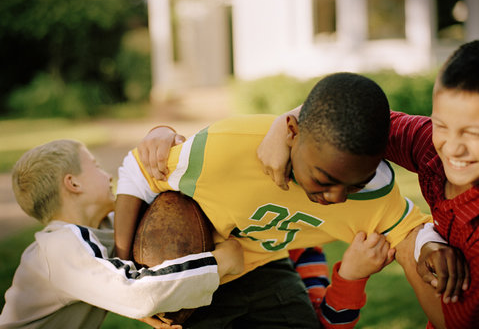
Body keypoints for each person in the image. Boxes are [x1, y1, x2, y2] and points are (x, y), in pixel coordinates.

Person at [115, 72, 436, 328]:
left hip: (267, 267)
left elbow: (412, 232)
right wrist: (127, 275)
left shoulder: (373, 198)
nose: (337, 197)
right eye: (324, 180)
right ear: (292, 133)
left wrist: (432, 244)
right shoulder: (225, 150)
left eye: (355, 185)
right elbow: (137, 171)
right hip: (201, 267)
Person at [257, 41, 479, 329]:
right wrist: (280, 127)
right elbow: (350, 122)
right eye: (442, 126)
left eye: (472, 133)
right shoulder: (430, 149)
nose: (453, 148)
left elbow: (455, 323)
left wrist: (414, 239)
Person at [0, 139, 244, 329]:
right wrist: (220, 262)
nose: (108, 175)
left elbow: (118, 283)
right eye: (95, 165)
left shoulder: (104, 227)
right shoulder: (57, 247)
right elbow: (137, 292)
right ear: (73, 184)